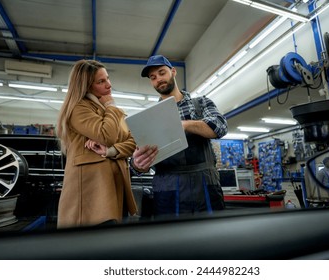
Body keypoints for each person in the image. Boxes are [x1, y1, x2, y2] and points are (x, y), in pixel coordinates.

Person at [130, 54, 228, 218]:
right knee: (172, 241)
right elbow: (137, 164)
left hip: (205, 187)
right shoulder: (148, 119)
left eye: (162, 73)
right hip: (167, 192)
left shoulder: (201, 104)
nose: (158, 79)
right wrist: (138, 164)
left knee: (212, 238)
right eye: (153, 77)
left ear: (173, 72)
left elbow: (220, 127)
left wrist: (183, 125)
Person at [56, 59, 138, 228]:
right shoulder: (79, 108)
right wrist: (111, 107)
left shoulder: (109, 111)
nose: (109, 85)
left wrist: (112, 150)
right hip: (91, 191)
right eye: (101, 81)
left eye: (107, 78)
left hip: (116, 185)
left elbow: (132, 140)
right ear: (86, 86)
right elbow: (105, 135)